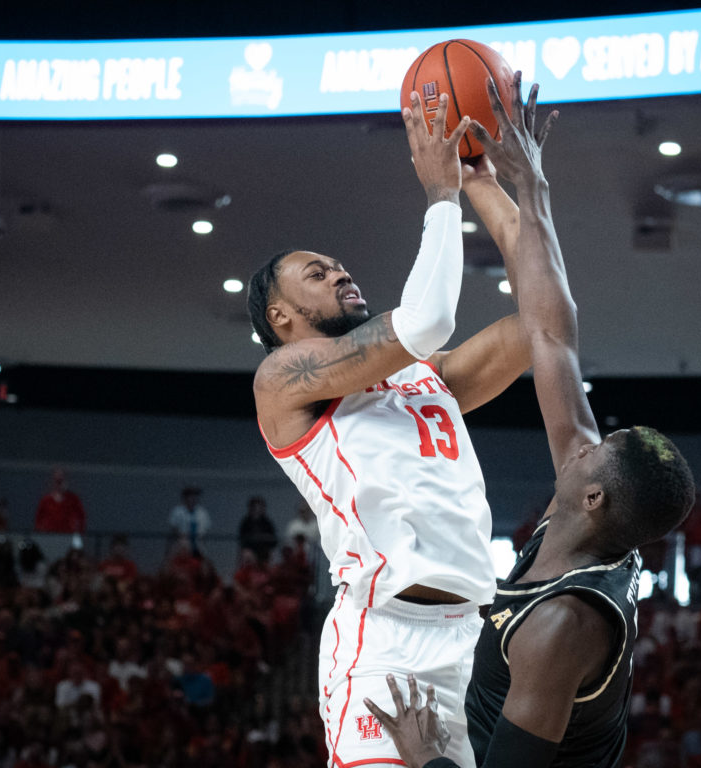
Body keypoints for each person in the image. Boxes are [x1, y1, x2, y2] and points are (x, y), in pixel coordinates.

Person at [363, 73, 695, 768]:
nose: (582, 442)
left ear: (594, 495)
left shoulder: (563, 623)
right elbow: (552, 330)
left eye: (596, 449)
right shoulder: (588, 517)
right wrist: (506, 182)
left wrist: (423, 755)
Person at [249, 90, 534, 768]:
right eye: (316, 273)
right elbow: (425, 320)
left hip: (473, 639)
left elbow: (546, 320)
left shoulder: (427, 376)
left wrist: (484, 184)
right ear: (281, 317)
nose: (339, 272)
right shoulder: (282, 379)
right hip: (384, 640)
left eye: (337, 265)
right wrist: (441, 196)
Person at [33, 467, 86, 533]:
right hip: (50, 535)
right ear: (53, 482)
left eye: (61, 481)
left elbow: (82, 518)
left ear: (66, 481)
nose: (59, 484)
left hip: (68, 535)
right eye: (57, 481)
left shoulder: (73, 500)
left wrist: (78, 532)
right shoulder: (46, 500)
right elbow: (38, 521)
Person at [168, 486, 211, 557]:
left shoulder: (202, 513)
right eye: (190, 495)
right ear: (185, 497)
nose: (193, 498)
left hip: (198, 546)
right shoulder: (177, 511)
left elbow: (205, 531)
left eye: (195, 495)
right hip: (181, 546)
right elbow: (174, 529)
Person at [237, 496, 278, 565]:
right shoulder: (246, 522)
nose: (257, 509)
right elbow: (242, 540)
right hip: (250, 550)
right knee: (246, 554)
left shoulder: (267, 522)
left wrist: (266, 540)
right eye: (255, 507)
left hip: (265, 549)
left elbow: (273, 539)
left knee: (273, 555)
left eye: (260, 507)